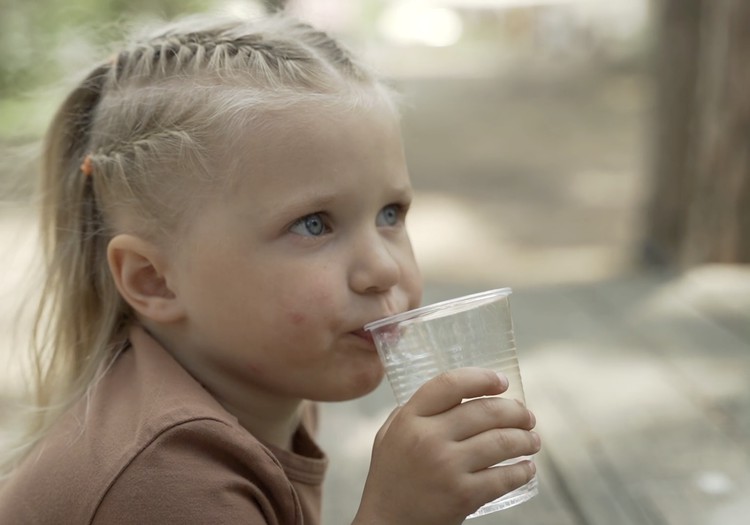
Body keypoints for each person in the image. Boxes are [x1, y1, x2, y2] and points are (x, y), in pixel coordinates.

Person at [0, 11, 540, 524]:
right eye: (313, 224)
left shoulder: (272, 394)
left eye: (390, 213)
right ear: (154, 280)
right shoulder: (165, 477)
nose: (382, 268)